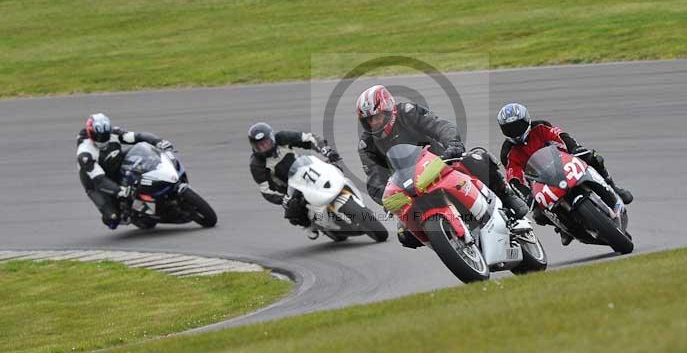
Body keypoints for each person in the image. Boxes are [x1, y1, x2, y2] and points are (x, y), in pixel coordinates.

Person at [356, 85, 529, 248]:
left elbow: (439, 126)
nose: (374, 123)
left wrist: (453, 144)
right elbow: (375, 180)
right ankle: (451, 244)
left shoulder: (407, 112)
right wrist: (387, 201)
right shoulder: (367, 144)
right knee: (405, 235)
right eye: (368, 120)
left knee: (477, 158)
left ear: (389, 110)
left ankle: (507, 196)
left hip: (440, 164)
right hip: (410, 188)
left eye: (377, 117)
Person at [497, 103, 634, 246]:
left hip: (562, 163)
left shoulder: (541, 127)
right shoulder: (508, 152)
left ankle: (614, 187)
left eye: (517, 125)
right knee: (538, 215)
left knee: (594, 158)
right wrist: (527, 196)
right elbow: (514, 179)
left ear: (527, 120)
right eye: (509, 128)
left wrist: (575, 149)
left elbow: (561, 137)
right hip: (540, 181)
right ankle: (562, 228)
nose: (515, 131)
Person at [76, 113, 173, 229]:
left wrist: (159, 141)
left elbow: (138, 136)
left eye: (105, 135)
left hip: (115, 164)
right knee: (113, 219)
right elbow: (99, 180)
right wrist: (119, 191)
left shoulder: (114, 133)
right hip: (96, 184)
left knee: (141, 152)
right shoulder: (85, 153)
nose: (102, 140)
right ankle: (125, 213)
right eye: (98, 136)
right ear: (90, 133)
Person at [248, 122, 340, 239]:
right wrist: (282, 199)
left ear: (271, 137)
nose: (265, 146)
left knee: (333, 167)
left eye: (266, 142)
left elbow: (308, 138)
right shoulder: (256, 164)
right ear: (254, 146)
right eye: (261, 145)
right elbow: (265, 190)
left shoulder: (282, 137)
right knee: (292, 210)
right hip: (289, 188)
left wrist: (324, 149)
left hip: (306, 169)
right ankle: (309, 225)